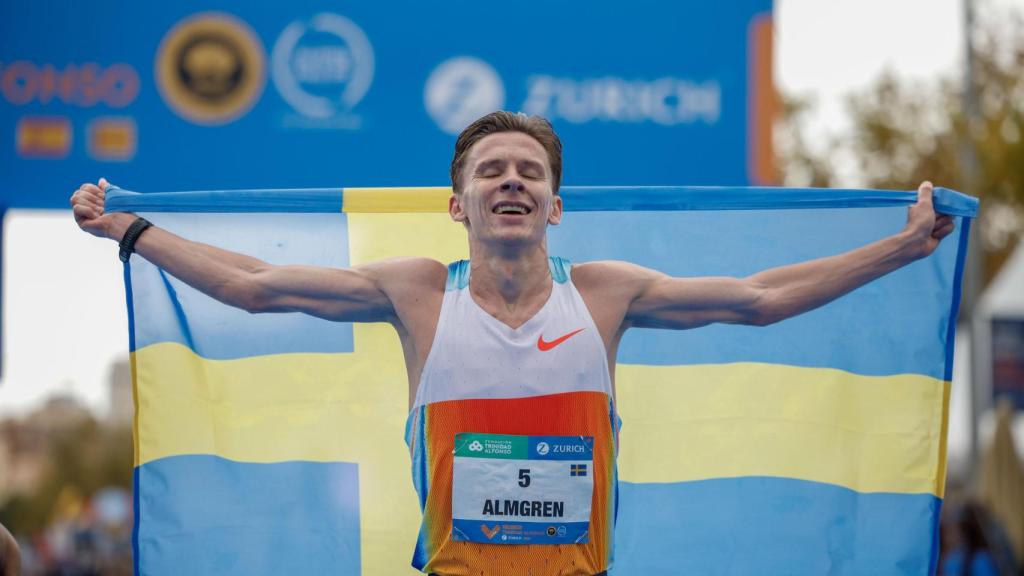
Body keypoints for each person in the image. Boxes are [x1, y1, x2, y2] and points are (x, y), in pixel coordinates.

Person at [70, 111, 956, 576]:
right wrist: (131, 229)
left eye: (530, 172)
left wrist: (903, 246)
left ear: (554, 206)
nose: (511, 181)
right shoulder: (416, 292)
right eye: (490, 170)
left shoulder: (603, 294)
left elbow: (761, 299)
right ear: (459, 205)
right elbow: (256, 288)